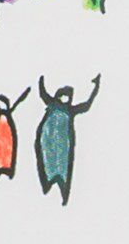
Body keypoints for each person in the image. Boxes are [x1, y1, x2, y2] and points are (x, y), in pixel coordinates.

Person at [34, 75, 100, 204]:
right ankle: (48, 187)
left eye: (67, 97)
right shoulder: (52, 105)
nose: (63, 100)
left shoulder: (69, 110)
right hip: (48, 142)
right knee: (48, 165)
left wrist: (96, 87)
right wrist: (41, 78)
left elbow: (86, 105)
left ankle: (62, 194)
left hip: (63, 146)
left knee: (62, 169)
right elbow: (42, 92)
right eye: (62, 97)